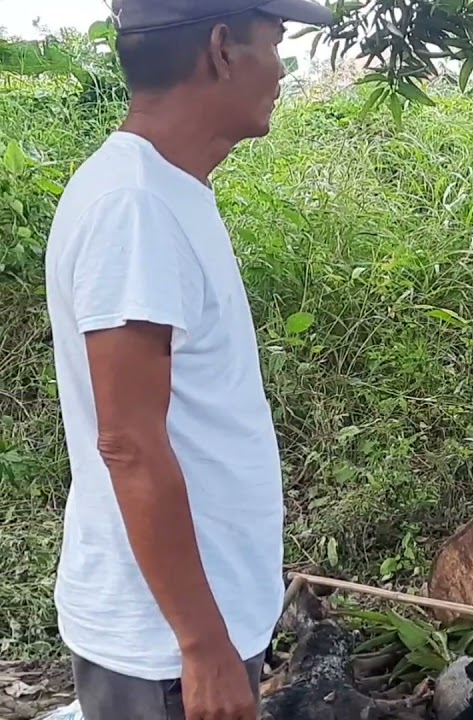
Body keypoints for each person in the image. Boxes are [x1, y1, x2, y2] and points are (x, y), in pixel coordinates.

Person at [43, 1, 333, 718]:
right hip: (165, 645)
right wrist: (202, 647)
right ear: (222, 50)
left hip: (193, 621)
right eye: (276, 42)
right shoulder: (134, 207)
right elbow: (131, 444)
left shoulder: (168, 191)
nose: (283, 69)